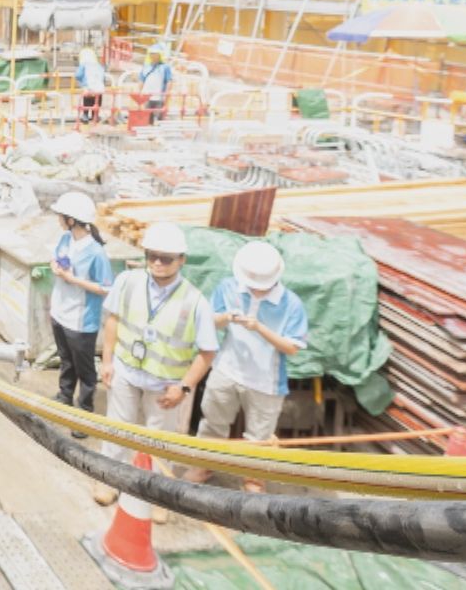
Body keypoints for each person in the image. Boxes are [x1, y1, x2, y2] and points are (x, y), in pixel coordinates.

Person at [93, 221, 217, 521]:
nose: (158, 263)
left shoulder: (195, 302)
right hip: (126, 371)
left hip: (165, 384)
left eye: (166, 258)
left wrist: (184, 387)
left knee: (159, 440)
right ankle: (109, 479)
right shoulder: (128, 281)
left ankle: (156, 494)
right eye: (152, 256)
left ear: (181, 260)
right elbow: (113, 320)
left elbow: (207, 352)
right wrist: (107, 361)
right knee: (117, 428)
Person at [186, 240, 308, 494]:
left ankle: (253, 478)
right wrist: (227, 317)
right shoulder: (229, 287)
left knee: (259, 437)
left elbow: (292, 347)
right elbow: (211, 321)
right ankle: (203, 465)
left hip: (266, 381)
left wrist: (260, 328)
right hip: (226, 369)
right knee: (212, 423)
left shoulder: (291, 304)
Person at [48, 192, 114, 417]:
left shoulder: (96, 253)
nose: (58, 220)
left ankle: (85, 411)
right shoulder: (66, 239)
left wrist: (73, 279)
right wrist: (55, 266)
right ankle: (65, 395)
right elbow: (55, 257)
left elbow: (106, 287)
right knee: (66, 359)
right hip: (60, 312)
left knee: (84, 369)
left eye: (61, 216)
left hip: (81, 320)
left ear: (71, 220)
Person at [136, 43, 174, 123]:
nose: (153, 55)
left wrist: (166, 95)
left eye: (155, 54)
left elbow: (169, 81)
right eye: (151, 53)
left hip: (159, 97)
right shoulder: (146, 66)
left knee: (159, 119)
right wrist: (140, 93)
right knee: (147, 119)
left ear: (160, 55)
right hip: (146, 97)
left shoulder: (165, 67)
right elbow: (141, 80)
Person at [74, 47, 108, 124]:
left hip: (88, 86)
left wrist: (82, 81)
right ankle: (95, 116)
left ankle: (85, 116)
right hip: (99, 87)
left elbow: (78, 75)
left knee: (87, 101)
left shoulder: (83, 65)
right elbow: (103, 77)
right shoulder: (99, 65)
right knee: (97, 101)